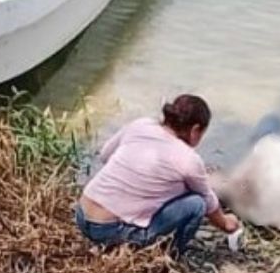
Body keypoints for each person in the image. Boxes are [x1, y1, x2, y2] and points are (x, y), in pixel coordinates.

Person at [76, 94, 240, 256]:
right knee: (196, 204)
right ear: (195, 130)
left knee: (172, 187)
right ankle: (172, 255)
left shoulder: (141, 125)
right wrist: (226, 223)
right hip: (109, 229)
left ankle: (105, 242)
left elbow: (105, 155)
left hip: (82, 215)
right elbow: (207, 199)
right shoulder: (188, 159)